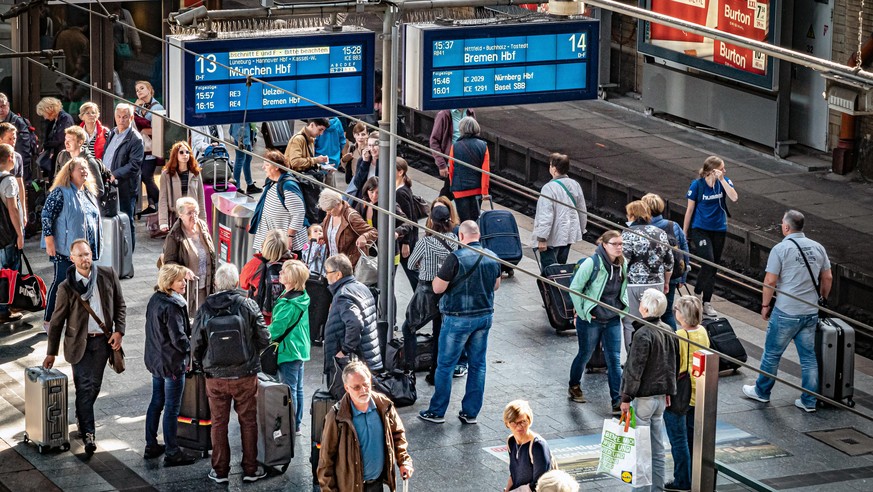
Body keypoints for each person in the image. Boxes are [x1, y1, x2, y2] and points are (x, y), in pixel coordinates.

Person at [742, 209, 832, 413]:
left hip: (786, 311)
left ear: (786, 227)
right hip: (810, 311)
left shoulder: (780, 249)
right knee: (808, 357)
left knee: (772, 354)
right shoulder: (818, 247)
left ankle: (762, 392)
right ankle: (809, 401)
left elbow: (770, 280)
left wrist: (765, 305)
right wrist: (822, 300)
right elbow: (827, 278)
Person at [43, 239, 125, 455]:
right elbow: (57, 321)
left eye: (87, 254)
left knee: (94, 386)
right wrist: (51, 353)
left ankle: (82, 414)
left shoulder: (107, 274)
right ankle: (89, 433)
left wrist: (119, 331)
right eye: (80, 255)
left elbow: (120, 304)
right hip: (78, 343)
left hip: (101, 341)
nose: (85, 258)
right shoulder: (66, 287)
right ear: (72, 258)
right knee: (84, 387)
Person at [191, 263, 271, 484]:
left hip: (215, 377)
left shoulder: (205, 308)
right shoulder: (248, 305)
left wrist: (203, 365)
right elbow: (265, 338)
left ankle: (220, 471)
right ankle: (250, 468)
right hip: (245, 374)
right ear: (236, 283)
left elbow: (196, 343)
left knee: (218, 423)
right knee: (248, 421)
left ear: (216, 284)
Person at [419, 221, 502, 424]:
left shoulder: (455, 258)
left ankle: (437, 411)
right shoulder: (493, 256)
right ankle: (470, 413)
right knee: (478, 365)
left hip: (457, 318)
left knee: (445, 365)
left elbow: (438, 288)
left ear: (461, 237)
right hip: (483, 317)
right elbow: (496, 285)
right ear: (478, 235)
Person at [318, 362, 413, 492]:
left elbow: (397, 433)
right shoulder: (336, 417)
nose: (363, 390)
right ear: (347, 388)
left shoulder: (384, 405)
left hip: (376, 484)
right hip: (350, 488)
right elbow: (326, 460)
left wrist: (404, 461)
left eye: (366, 385)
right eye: (356, 387)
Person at [619, 288, 677, 492]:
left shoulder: (643, 334)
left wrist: (625, 397)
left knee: (641, 449)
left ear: (645, 307)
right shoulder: (669, 329)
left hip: (643, 399)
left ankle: (641, 490)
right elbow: (671, 364)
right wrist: (669, 391)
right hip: (661, 398)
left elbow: (634, 369)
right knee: (657, 448)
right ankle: (657, 489)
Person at [567, 230, 628, 413]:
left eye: (621, 244)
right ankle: (574, 385)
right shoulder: (591, 263)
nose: (619, 247)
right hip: (591, 319)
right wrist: (583, 312)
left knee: (614, 360)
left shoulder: (622, 263)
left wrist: (622, 307)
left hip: (612, 317)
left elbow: (622, 287)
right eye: (615, 244)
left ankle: (616, 400)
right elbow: (575, 288)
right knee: (585, 354)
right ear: (604, 245)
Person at [143, 263, 197, 466]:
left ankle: (151, 445)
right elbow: (179, 339)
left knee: (156, 401)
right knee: (172, 408)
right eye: (180, 280)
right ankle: (172, 451)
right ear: (169, 283)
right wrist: (192, 348)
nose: (184, 283)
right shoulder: (172, 306)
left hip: (156, 360)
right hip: (172, 364)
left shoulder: (156, 299)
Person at [41, 157, 102, 331]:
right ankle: (49, 320)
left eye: (85, 168)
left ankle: (81, 320)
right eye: (79, 168)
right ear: (70, 172)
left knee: (85, 284)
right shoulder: (60, 192)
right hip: (65, 248)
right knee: (61, 282)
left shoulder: (88, 192)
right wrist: (49, 239)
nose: (84, 171)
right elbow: (46, 215)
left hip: (86, 250)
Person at [403, 203, 458, 383]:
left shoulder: (425, 242)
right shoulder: (453, 240)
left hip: (426, 290)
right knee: (439, 331)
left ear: (431, 221)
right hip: (446, 290)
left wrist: (422, 265)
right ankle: (435, 372)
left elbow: (411, 264)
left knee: (408, 327)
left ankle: (409, 370)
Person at [682, 156, 738, 318]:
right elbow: (690, 210)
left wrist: (722, 180)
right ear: (712, 170)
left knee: (714, 266)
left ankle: (707, 301)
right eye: (722, 168)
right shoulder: (697, 185)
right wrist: (685, 232)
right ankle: (697, 293)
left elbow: (734, 197)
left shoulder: (724, 181)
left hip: (719, 229)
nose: (725, 170)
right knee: (708, 261)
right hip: (701, 229)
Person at [664, 295, 710, 492]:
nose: (675, 312)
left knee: (678, 439)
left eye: (677, 309)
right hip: (698, 390)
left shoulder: (679, 335)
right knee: (692, 437)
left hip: (681, 393)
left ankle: (682, 481)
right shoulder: (703, 331)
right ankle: (694, 476)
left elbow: (673, 366)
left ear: (682, 315)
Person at [322, 254, 383, 396]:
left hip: (351, 362)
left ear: (338, 275)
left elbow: (355, 323)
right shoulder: (361, 287)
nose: (325, 276)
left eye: (327, 272)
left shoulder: (343, 295)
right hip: (367, 357)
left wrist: (344, 350)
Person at [621, 200, 673, 352]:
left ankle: (632, 355)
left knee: (630, 322)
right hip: (656, 283)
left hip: (633, 285)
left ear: (632, 215)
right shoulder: (660, 233)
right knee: (654, 321)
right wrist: (666, 283)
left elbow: (623, 262)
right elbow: (669, 262)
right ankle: (654, 355)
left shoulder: (628, 234)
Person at [270, 259, 311, 435]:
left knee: (288, 390)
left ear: (292, 279)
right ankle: (297, 423)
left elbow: (276, 330)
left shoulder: (287, 304)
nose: (280, 273)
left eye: (284, 272)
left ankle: (290, 425)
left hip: (288, 350)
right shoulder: (301, 296)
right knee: (297, 388)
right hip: (300, 347)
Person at [532, 152, 587, 271]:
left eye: (551, 165)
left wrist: (541, 237)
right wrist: (581, 229)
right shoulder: (575, 184)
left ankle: (549, 289)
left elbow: (546, 215)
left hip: (551, 236)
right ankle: (558, 288)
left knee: (549, 270)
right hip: (569, 234)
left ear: (554, 169)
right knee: (561, 267)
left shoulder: (549, 188)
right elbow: (582, 210)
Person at [642, 193, 689, 330]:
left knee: (648, 312)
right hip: (672, 276)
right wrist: (683, 277)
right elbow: (684, 251)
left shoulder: (642, 229)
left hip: (649, 279)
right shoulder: (673, 226)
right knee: (668, 312)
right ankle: (673, 343)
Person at [162, 196, 216, 313]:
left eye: (196, 211)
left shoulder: (202, 226)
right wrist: (183, 270)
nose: (194, 216)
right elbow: (168, 262)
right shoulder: (174, 236)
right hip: (189, 290)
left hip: (206, 287)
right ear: (180, 215)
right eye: (189, 213)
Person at [249, 150, 308, 256]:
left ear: (276, 167)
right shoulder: (271, 182)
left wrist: (290, 237)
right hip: (273, 243)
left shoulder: (288, 185)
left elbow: (299, 213)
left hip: (285, 245)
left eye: (266, 165)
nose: (263, 168)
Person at [354, 176, 413, 280]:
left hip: (389, 252)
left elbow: (407, 223)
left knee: (387, 284)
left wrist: (397, 232)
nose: (374, 196)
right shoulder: (362, 204)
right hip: (370, 251)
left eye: (377, 192)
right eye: (371, 192)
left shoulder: (390, 206)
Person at [103, 103, 144, 251]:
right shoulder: (112, 133)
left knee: (126, 219)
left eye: (125, 117)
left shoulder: (135, 139)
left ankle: (127, 256)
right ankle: (115, 252)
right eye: (119, 116)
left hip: (125, 186)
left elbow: (134, 165)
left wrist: (114, 174)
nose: (121, 120)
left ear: (131, 118)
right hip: (108, 184)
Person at [240, 228, 295, 325]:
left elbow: (243, 284)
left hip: (259, 319)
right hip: (285, 319)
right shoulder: (294, 266)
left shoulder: (254, 265)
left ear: (265, 245)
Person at [318, 188, 378, 267]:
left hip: (348, 266)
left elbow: (374, 232)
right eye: (326, 210)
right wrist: (325, 236)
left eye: (330, 209)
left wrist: (364, 236)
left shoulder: (351, 216)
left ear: (338, 203)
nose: (328, 212)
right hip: (333, 264)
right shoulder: (330, 214)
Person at [503, 400, 554, 492]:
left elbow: (540, 484)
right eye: (514, 423)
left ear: (529, 421)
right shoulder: (511, 441)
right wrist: (507, 489)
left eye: (523, 421)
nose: (519, 427)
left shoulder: (538, 445)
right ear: (507, 424)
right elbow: (514, 473)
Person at [158, 141, 206, 233]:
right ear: (175, 155)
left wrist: (203, 221)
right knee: (175, 245)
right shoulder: (167, 174)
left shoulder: (195, 173)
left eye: (187, 152)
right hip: (176, 217)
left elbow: (201, 198)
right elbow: (163, 199)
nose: (185, 155)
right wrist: (163, 221)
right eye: (181, 152)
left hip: (192, 217)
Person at [448, 117, 490, 222]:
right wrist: (484, 192)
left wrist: (452, 186)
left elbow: (451, 170)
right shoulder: (483, 146)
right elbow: (485, 171)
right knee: (475, 220)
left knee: (464, 221)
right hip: (476, 190)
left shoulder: (455, 146)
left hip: (459, 190)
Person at [133, 81, 165, 217]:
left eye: (142, 88)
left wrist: (144, 130)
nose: (139, 91)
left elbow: (159, 129)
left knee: (147, 176)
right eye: (137, 90)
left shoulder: (156, 108)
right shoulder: (139, 106)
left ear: (150, 90)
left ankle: (161, 204)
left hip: (152, 147)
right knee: (142, 176)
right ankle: (152, 205)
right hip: (142, 147)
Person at [0, 144, 24, 322]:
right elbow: (13, 210)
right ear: (9, 158)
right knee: (9, 271)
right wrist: (20, 234)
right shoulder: (9, 181)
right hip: (7, 234)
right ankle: (4, 309)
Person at [429, 108, 475, 198]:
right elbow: (434, 141)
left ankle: (440, 208)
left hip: (467, 161)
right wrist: (441, 164)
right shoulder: (444, 115)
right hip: (452, 162)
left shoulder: (470, 112)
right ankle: (439, 209)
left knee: (462, 193)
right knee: (448, 191)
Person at [53, 126, 105, 198]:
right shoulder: (62, 156)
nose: (66, 143)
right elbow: (56, 181)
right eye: (65, 140)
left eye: (70, 140)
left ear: (80, 142)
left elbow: (99, 190)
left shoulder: (89, 162)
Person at [394, 157, 420, 290]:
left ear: (400, 172)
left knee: (413, 273)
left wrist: (406, 243)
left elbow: (408, 219)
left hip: (405, 239)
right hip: (407, 238)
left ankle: (423, 299)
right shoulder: (403, 188)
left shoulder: (400, 193)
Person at [0, 93, 35, 180]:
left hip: (14, 169)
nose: (0, 109)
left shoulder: (18, 122)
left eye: (3, 106)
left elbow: (24, 150)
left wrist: (15, 167)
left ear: (8, 104)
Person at [36, 97, 74, 176]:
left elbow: (59, 138)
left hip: (63, 157)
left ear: (49, 110)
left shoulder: (65, 118)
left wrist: (45, 145)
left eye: (44, 114)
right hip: (56, 157)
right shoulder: (55, 120)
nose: (45, 117)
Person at [0, 123, 27, 223]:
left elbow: (20, 184)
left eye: (14, 138)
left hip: (15, 205)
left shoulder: (17, 157)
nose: (13, 142)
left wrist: (23, 211)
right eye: (9, 139)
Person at [314, 116, 345, 188]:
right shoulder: (338, 122)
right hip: (334, 160)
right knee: (331, 189)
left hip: (319, 159)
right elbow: (342, 140)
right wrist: (337, 153)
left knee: (319, 189)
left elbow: (314, 142)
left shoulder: (319, 123)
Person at [229, 122, 259, 194]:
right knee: (240, 159)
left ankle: (250, 184)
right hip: (241, 133)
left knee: (248, 158)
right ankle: (237, 187)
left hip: (245, 131)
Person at [348, 131, 380, 200]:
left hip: (379, 198)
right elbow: (357, 184)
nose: (372, 148)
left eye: (375, 145)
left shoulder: (386, 162)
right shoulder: (362, 160)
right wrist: (365, 162)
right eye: (370, 145)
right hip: (364, 198)